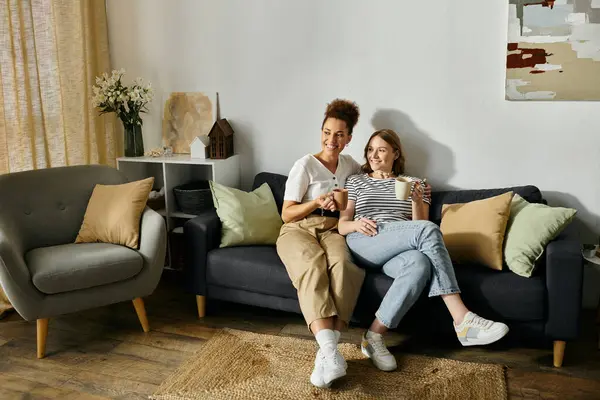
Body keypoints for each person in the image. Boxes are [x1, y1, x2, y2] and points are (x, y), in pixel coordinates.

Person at [338, 129, 509, 372]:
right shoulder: (356, 181)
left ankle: (373, 337)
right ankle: (462, 319)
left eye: (381, 150)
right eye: (370, 149)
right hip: (365, 239)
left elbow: (419, 224)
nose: (374, 155)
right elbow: (341, 224)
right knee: (428, 230)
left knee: (420, 263)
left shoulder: (416, 183)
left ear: (395, 153)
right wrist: (356, 223)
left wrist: (417, 201)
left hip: (400, 241)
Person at [276, 99, 365, 388]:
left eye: (339, 134)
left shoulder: (350, 166)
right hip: (298, 229)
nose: (331, 140)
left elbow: (372, 179)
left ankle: (328, 353)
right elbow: (286, 213)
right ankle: (330, 351)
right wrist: (315, 201)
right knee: (313, 266)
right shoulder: (305, 165)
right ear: (321, 132)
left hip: (333, 229)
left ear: (349, 138)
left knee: (344, 267)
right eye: (327, 132)